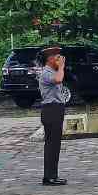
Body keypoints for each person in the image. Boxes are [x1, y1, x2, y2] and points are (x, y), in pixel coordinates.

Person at [38, 45, 71, 186]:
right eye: (57, 57)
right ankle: (49, 177)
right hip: (51, 110)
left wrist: (60, 67)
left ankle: (53, 175)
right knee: (52, 144)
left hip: (55, 109)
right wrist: (62, 67)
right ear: (50, 59)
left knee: (55, 144)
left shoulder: (53, 70)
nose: (59, 59)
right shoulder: (46, 72)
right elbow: (58, 79)